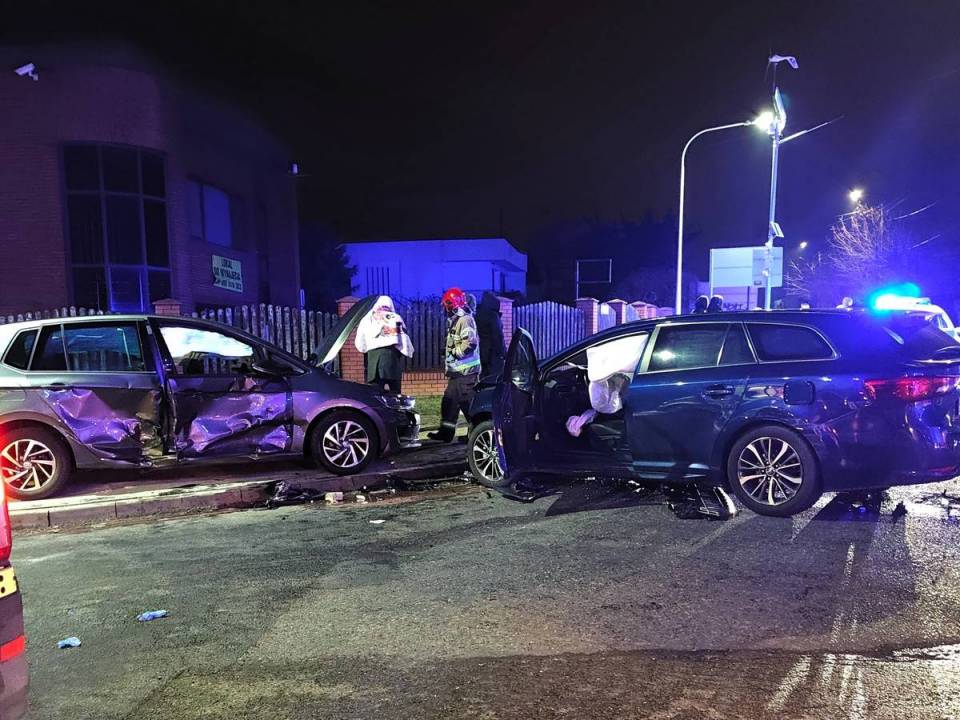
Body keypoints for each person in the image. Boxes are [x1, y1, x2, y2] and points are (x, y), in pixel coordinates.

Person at [428, 287, 481, 443]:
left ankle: (479, 433)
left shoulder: (465, 320)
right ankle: (446, 433)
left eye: (447, 305)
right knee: (449, 403)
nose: (445, 309)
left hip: (466, 373)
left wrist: (454, 353)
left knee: (468, 405)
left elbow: (470, 343)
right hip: (457, 372)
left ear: (453, 304)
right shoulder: (456, 320)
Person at [354, 295, 414, 393]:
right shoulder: (396, 318)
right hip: (392, 359)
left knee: (375, 393)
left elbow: (360, 342)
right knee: (395, 392)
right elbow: (403, 338)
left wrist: (366, 349)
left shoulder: (367, 319)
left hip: (374, 360)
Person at [475, 291, 506, 381]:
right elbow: (498, 336)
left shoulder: (478, 315)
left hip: (483, 351)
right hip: (494, 354)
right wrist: (503, 353)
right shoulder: (493, 317)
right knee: (495, 379)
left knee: (484, 378)